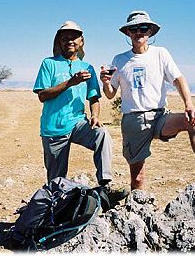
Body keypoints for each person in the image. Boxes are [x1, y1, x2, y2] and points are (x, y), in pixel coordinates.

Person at [100, 10, 195, 191]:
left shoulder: (160, 54)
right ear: (128, 33)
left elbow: (178, 79)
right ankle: (138, 208)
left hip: (159, 117)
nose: (139, 32)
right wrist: (106, 83)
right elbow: (110, 94)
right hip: (133, 121)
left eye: (143, 28)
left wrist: (189, 105)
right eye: (134, 28)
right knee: (138, 178)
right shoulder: (120, 59)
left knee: (191, 120)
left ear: (150, 32)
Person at [33, 20, 128, 202]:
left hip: (78, 123)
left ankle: (105, 185)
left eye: (74, 37)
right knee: (56, 181)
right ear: (59, 42)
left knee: (101, 134)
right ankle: (56, 211)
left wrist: (95, 116)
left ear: (81, 41)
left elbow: (94, 98)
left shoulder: (87, 68)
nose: (69, 40)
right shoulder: (49, 64)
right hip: (53, 128)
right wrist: (70, 82)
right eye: (65, 37)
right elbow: (42, 95)